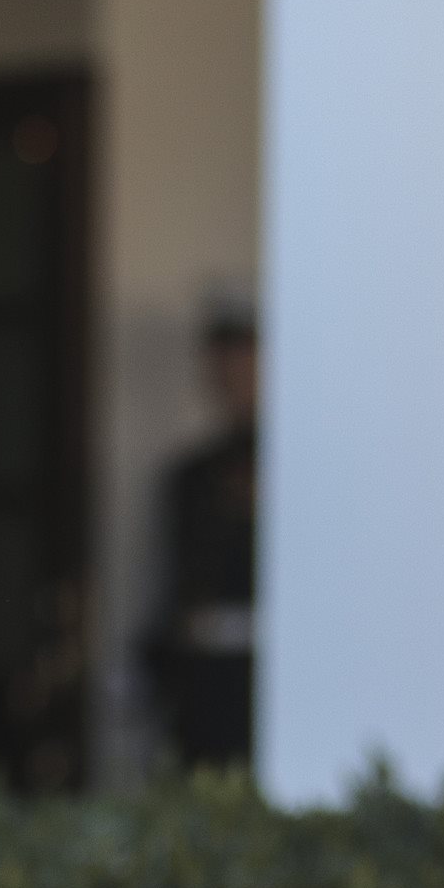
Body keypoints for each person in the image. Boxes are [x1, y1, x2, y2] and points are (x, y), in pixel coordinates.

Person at [144, 295, 258, 774]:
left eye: (244, 364)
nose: (233, 379)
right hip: (204, 687)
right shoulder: (191, 477)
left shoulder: (301, 472)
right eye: (223, 367)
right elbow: (177, 585)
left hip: (268, 682)